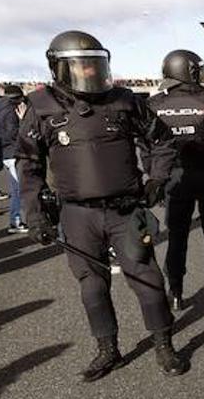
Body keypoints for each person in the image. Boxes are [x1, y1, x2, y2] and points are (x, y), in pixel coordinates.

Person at [17, 30, 185, 379]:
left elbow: (162, 141)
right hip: (78, 214)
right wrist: (34, 217)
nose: (88, 74)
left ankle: (164, 346)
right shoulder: (41, 106)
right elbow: (28, 164)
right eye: (79, 67)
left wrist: (156, 178)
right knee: (91, 285)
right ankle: (108, 350)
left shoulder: (124, 100)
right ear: (57, 68)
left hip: (125, 209)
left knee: (147, 278)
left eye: (94, 65)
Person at [146, 49, 204, 312]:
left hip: (174, 178)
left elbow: (144, 145)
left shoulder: (153, 105)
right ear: (189, 71)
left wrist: (155, 177)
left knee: (177, 236)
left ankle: (175, 291)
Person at [0, 85, 28, 232]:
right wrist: (23, 121)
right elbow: (12, 135)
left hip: (4, 153)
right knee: (18, 189)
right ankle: (16, 221)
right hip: (12, 153)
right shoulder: (10, 112)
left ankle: (16, 220)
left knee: (17, 188)